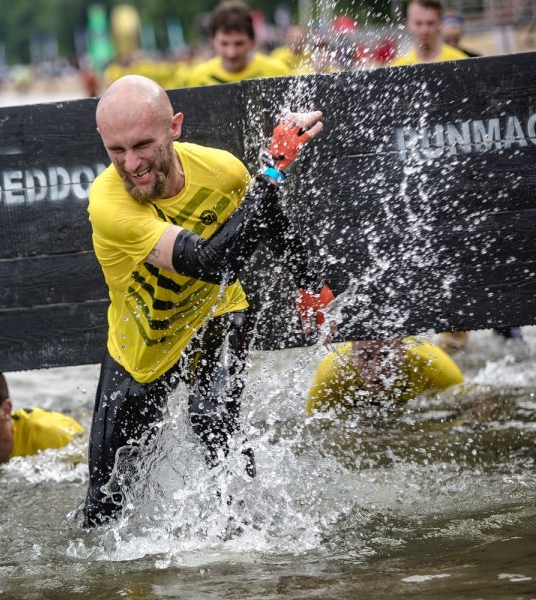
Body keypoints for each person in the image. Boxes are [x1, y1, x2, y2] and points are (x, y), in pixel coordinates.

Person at [83, 74, 334, 526]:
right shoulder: (107, 202)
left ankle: (253, 530)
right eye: (116, 151)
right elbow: (207, 261)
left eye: (143, 145)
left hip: (215, 312)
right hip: (141, 347)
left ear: (174, 128)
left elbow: (266, 217)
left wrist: (309, 283)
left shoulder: (223, 170)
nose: (132, 164)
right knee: (103, 505)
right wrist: (273, 171)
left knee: (212, 417)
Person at [306, 337, 463, 414]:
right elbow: (315, 429)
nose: (376, 370)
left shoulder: (436, 367)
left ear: (403, 351)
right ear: (353, 354)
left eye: (385, 355)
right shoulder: (332, 373)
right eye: (365, 357)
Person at [185, 0, 291, 87]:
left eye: (239, 43)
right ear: (213, 41)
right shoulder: (198, 78)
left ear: (252, 41)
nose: (232, 53)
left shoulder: (278, 72)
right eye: (224, 43)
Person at [390, 0, 469, 66]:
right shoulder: (398, 67)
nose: (424, 30)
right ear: (407, 24)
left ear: (440, 23)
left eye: (430, 23)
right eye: (418, 23)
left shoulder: (460, 62)